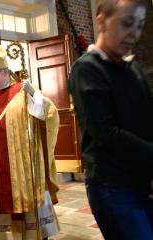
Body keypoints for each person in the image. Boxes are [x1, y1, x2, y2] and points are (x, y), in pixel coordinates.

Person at [68, 0, 153, 239]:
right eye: (127, 23)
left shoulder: (132, 68)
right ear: (102, 19)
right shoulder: (87, 69)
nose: (134, 34)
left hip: (141, 180)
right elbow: (106, 133)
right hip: (112, 185)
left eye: (140, 25)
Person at [0, 43, 60, 239]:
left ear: (5, 72)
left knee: (28, 202)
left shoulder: (22, 91)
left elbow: (48, 113)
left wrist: (33, 94)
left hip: (23, 165)